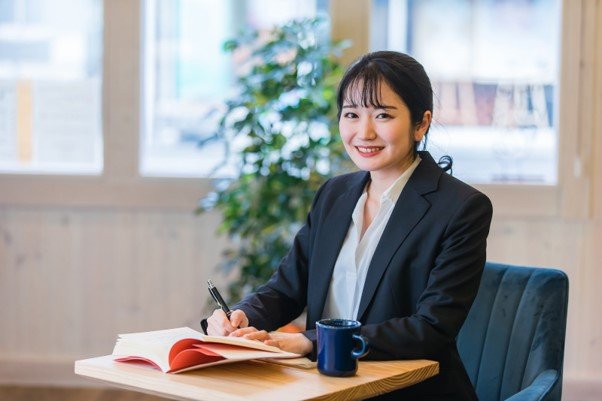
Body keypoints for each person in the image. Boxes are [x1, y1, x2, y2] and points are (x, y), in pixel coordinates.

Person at [202, 50, 493, 400]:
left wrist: (310, 341)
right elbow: (286, 288)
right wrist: (242, 317)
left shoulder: (461, 208)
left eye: (383, 115)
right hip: (324, 387)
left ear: (421, 123)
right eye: (352, 114)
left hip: (408, 391)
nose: (364, 132)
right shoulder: (334, 194)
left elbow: (430, 328)